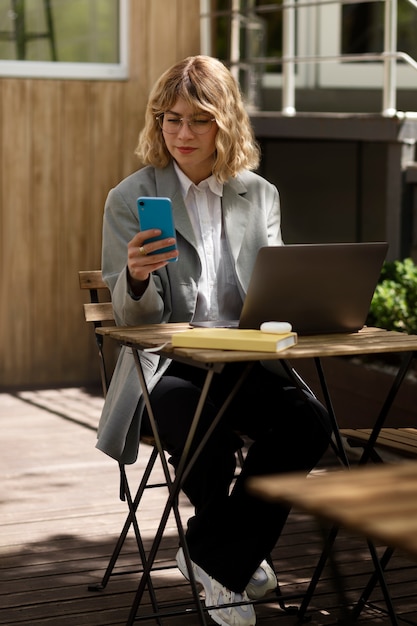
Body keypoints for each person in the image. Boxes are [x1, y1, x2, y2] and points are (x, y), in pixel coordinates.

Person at [96, 55, 331, 626]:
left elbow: (271, 288)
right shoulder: (131, 198)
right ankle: (229, 567)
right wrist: (135, 277)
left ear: (225, 122)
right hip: (168, 361)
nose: (181, 134)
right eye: (170, 119)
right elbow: (134, 321)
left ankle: (213, 553)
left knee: (308, 422)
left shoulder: (259, 193)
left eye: (198, 120)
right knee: (196, 421)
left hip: (245, 359)